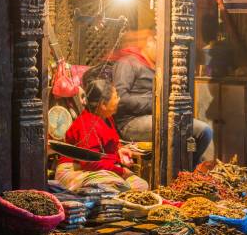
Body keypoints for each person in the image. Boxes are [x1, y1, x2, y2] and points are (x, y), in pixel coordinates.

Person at [111, 29, 213, 166]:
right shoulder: (127, 63)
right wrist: (154, 102)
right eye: (160, 45)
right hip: (131, 123)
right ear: (149, 42)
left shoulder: (157, 66)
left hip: (155, 116)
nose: (164, 50)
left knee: (200, 131)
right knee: (200, 130)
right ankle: (189, 169)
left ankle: (189, 167)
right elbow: (120, 98)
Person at [55, 79, 149, 191]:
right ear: (103, 105)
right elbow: (90, 163)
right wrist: (121, 171)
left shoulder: (107, 117)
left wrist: (119, 151)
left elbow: (105, 147)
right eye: (115, 97)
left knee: (141, 185)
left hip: (98, 168)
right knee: (116, 187)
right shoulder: (87, 124)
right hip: (74, 170)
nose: (119, 99)